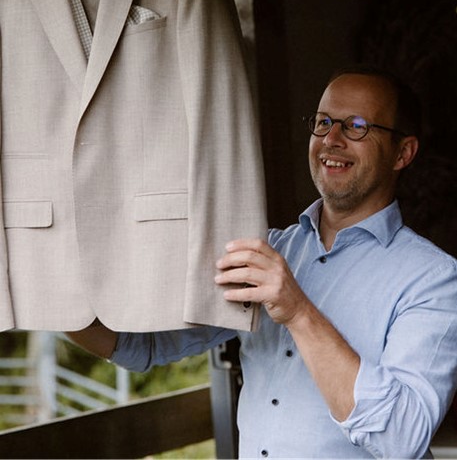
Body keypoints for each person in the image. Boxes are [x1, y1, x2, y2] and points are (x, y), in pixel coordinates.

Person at [67, 67, 457, 459]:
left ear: (402, 153)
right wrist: (51, 290)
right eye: (323, 122)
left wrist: (298, 312)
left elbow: (402, 438)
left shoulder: (434, 279)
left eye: (356, 126)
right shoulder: (268, 251)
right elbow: (140, 344)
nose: (331, 140)